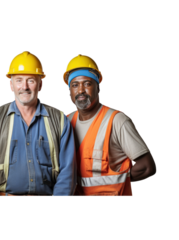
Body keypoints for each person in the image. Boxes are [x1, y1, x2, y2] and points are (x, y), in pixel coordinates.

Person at [0, 49, 76, 198]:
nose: (25, 87)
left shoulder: (59, 118)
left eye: (31, 80)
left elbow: (68, 173)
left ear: (41, 85)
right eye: (19, 80)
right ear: (11, 85)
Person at [63, 53, 157, 198]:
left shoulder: (116, 120)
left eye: (87, 83)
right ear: (69, 89)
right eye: (75, 85)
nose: (81, 90)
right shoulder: (66, 121)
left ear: (97, 86)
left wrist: (117, 184)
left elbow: (147, 167)